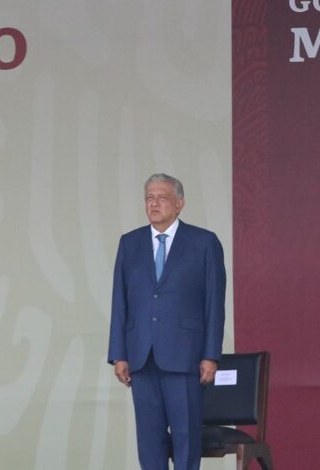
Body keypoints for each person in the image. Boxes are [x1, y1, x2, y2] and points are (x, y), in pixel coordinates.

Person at [107, 173, 227, 470]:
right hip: (141, 356)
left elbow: (214, 303)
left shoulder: (204, 242)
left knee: (186, 436)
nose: (154, 204)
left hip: (185, 356)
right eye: (149, 198)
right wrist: (118, 354)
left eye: (161, 198)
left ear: (179, 204)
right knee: (149, 439)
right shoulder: (130, 243)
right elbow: (120, 301)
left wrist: (210, 355)